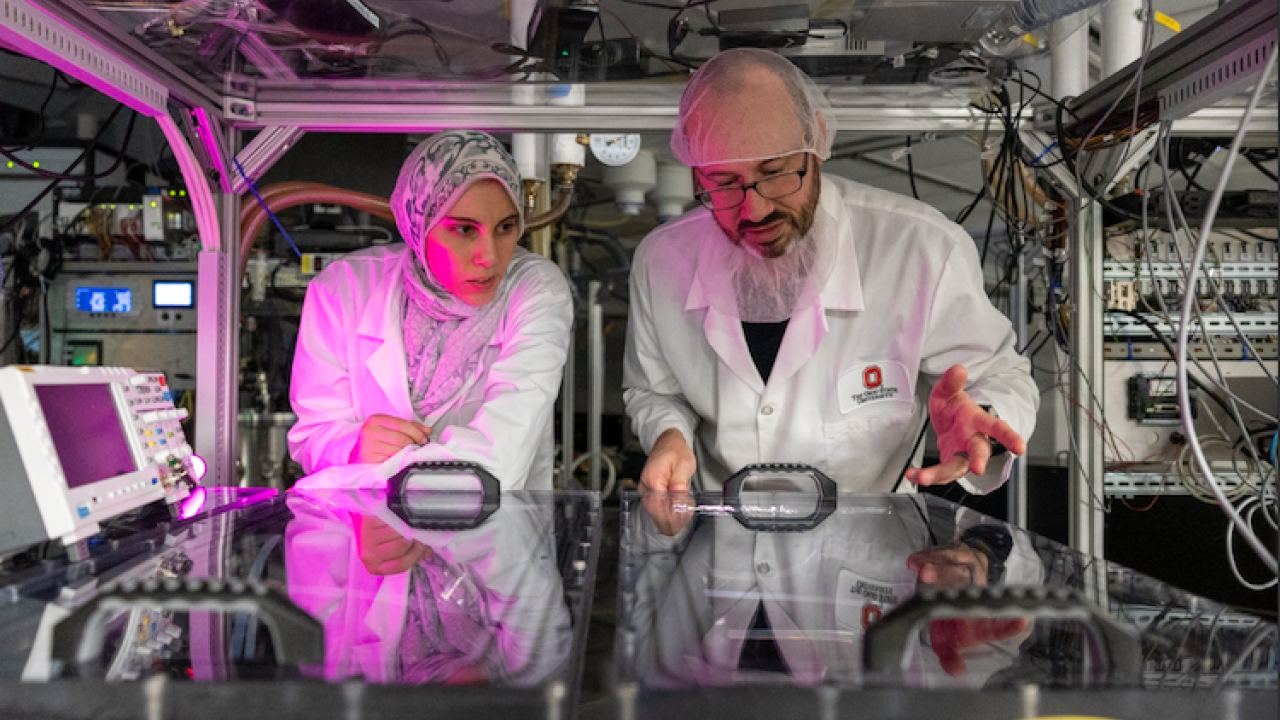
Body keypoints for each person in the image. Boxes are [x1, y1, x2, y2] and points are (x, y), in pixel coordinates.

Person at [623, 48, 1038, 497]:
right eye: (724, 184)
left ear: (817, 141)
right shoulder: (661, 261)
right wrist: (669, 434)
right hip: (719, 552)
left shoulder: (921, 250)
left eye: (776, 172)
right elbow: (655, 392)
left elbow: (1000, 374)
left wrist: (981, 417)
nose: (755, 209)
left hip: (870, 554)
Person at [289, 129, 573, 492]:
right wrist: (351, 446)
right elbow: (313, 435)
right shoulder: (342, 289)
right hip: (367, 540)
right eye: (463, 230)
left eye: (505, 227)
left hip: (490, 540)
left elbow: (497, 459)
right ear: (417, 226)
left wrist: (365, 476)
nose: (489, 257)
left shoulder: (535, 289)